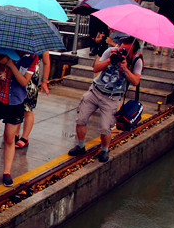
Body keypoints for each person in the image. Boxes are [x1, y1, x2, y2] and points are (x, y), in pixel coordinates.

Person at [68, 35, 143, 163]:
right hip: (95, 91)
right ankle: (80, 146)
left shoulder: (137, 61)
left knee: (105, 127)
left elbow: (136, 81)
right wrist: (109, 60)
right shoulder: (110, 52)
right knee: (81, 119)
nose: (121, 52)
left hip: (111, 98)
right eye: (121, 48)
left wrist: (125, 68)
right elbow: (96, 68)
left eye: (125, 51)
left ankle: (104, 150)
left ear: (133, 52)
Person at [0, 49, 39, 187]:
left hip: (15, 101)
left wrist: (11, 65)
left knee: (9, 138)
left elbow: (24, 82)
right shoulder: (4, 50)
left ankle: (7, 172)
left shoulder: (32, 57)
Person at [14, 51, 51, 150]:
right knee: (17, 105)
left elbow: (46, 62)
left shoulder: (41, 44)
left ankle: (24, 137)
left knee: (28, 108)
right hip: (19, 70)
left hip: (31, 75)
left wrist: (45, 81)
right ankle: (15, 133)